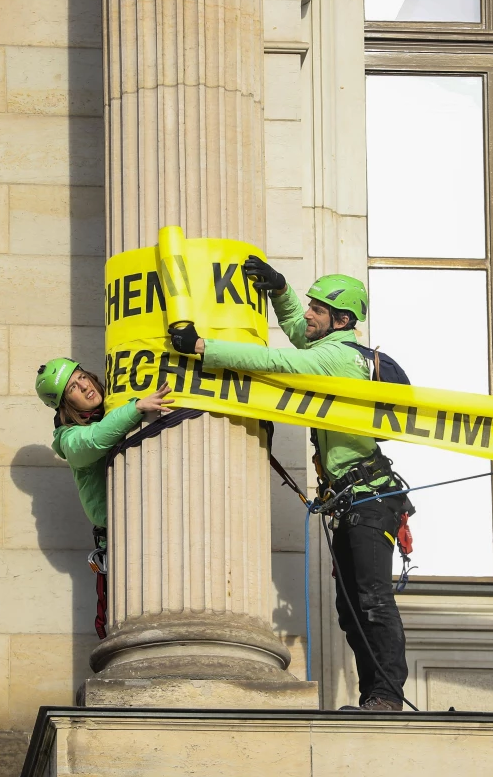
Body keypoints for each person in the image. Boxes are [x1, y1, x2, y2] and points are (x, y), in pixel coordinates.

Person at [169, 257, 410, 712]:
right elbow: (301, 335)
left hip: (370, 498)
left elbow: (278, 359)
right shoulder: (337, 349)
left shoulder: (338, 358)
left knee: (371, 601)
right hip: (356, 500)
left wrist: (203, 347)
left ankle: (385, 696)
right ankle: (376, 695)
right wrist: (280, 290)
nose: (309, 313)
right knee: (352, 608)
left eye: (317, 308)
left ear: (341, 320)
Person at [35, 357, 173, 637]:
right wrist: (136, 408)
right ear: (66, 405)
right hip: (119, 538)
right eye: (73, 387)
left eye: (82, 376)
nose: (84, 386)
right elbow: (96, 439)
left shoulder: (114, 409)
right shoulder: (70, 439)